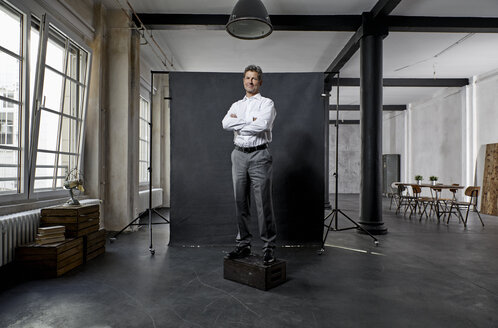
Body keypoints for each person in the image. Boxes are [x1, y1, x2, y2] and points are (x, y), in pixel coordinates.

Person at [222, 65, 277, 265]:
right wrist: (249, 122)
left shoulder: (267, 103)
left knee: (263, 203)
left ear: (260, 82)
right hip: (238, 156)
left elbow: (262, 125)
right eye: (247, 78)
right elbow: (225, 124)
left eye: (254, 78)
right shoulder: (236, 105)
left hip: (259, 155)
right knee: (240, 202)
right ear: (243, 80)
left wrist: (241, 124)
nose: (250, 81)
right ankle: (243, 245)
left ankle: (268, 248)